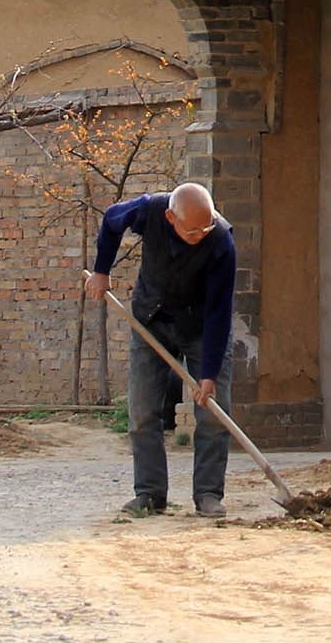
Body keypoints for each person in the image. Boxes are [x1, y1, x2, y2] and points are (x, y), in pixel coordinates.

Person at [84, 181, 236, 519]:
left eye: (206, 226)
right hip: (150, 320)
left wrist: (208, 375)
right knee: (142, 411)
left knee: (213, 412)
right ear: (171, 217)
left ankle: (208, 494)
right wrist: (101, 271)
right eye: (192, 230)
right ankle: (150, 494)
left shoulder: (221, 240)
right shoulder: (150, 210)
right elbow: (111, 220)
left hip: (200, 327)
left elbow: (219, 313)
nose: (201, 233)